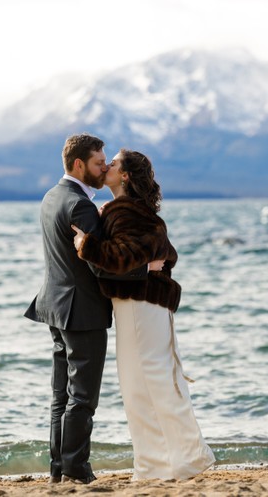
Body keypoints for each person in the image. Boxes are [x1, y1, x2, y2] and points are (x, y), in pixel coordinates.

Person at [71, 149, 215, 481]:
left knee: (148, 384)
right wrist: (145, 263)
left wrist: (87, 245)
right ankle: (163, 463)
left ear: (125, 177)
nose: (107, 165)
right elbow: (159, 251)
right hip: (143, 305)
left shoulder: (127, 212)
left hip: (140, 305)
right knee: (146, 384)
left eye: (115, 163)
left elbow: (126, 255)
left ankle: (173, 462)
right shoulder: (126, 210)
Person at [24, 134, 156, 485]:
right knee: (82, 397)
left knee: (61, 396)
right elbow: (101, 263)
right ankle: (76, 468)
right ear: (79, 164)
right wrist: (146, 269)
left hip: (53, 306)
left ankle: (59, 468)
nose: (104, 168)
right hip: (81, 312)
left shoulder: (52, 196)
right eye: (99, 162)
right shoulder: (80, 205)